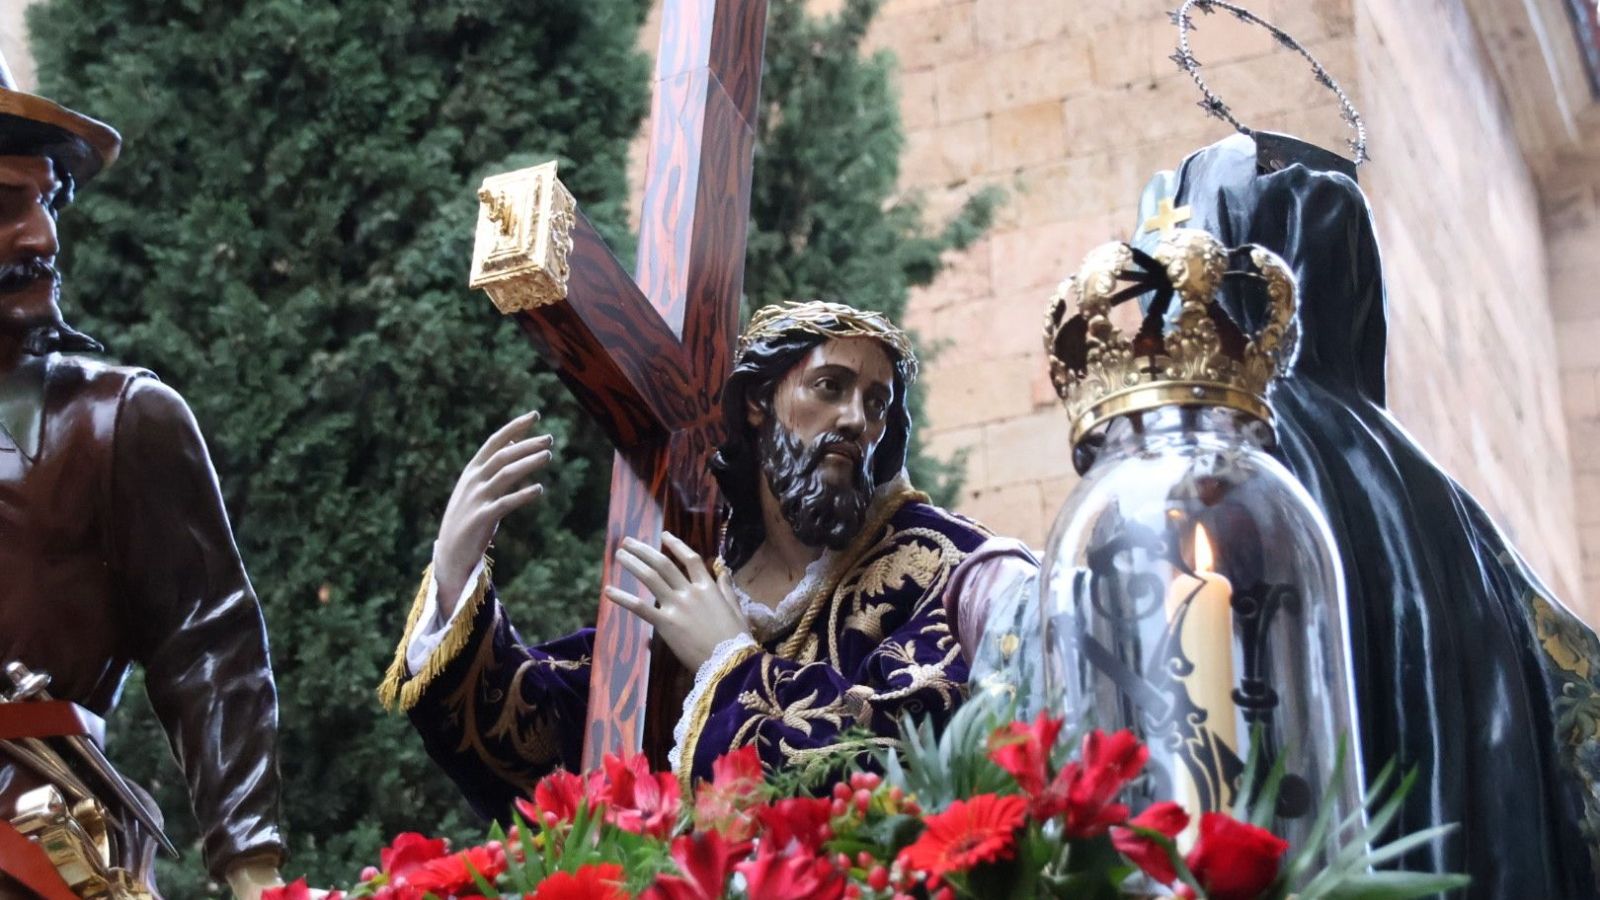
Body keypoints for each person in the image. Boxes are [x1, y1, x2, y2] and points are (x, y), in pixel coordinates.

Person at [381, 301, 1035, 818]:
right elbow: (537, 751)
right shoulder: (696, 587)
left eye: (876, 402)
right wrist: (454, 572)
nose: (856, 419)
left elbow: (902, 762)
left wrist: (731, 665)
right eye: (830, 386)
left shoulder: (938, 567)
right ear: (756, 405)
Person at [0, 54, 285, 898]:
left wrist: (254, 873)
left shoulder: (120, 421)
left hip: (48, 861)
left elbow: (213, 649)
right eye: (6, 205)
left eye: (47, 201)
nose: (44, 236)